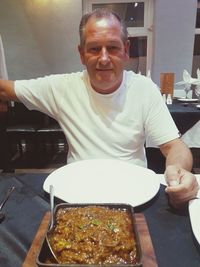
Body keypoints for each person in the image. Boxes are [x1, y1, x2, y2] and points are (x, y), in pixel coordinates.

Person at [0, 9, 199, 208]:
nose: (104, 58)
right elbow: (5, 89)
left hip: (134, 195)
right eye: (94, 49)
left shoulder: (144, 89)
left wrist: (179, 170)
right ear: (81, 53)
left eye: (112, 47)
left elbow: (174, 146)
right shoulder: (61, 87)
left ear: (126, 49)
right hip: (76, 195)